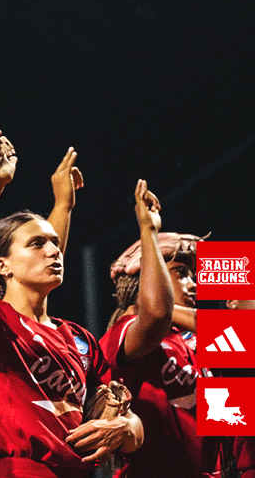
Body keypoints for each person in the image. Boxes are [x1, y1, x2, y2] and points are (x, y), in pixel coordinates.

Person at [0, 124, 143, 478]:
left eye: (54, 243)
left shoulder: (78, 337)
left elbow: (128, 416)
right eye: (37, 244)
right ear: (0, 267)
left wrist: (128, 428)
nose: (54, 251)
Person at [101, 187, 217, 478]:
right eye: (181, 273)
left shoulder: (190, 340)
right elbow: (155, 315)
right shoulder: (126, 330)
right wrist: (149, 232)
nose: (194, 284)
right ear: (148, 275)